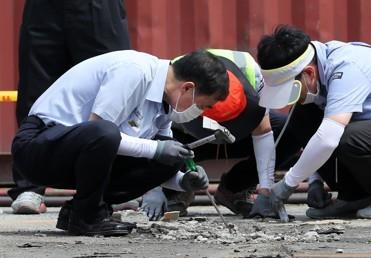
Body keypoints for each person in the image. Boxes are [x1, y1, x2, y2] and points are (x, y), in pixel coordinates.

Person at [11, 49, 228, 236]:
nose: (200, 112)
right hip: (38, 147)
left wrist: (182, 180)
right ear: (188, 88)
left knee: (169, 155)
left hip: (77, 154)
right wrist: (156, 148)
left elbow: (148, 159)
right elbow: (99, 132)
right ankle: (87, 216)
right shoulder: (135, 71)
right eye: (203, 105)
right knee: (110, 133)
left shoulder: (164, 102)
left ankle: (77, 211)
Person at [255, 25, 371, 221]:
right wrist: (315, 182)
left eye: (291, 91)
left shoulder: (346, 66)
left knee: (347, 138)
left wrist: (287, 185)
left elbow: (328, 138)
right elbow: (316, 131)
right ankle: (354, 198)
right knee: (302, 115)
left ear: (309, 73)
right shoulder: (319, 67)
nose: (290, 100)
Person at [141, 49, 301, 220]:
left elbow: (263, 131)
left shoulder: (250, 71)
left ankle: (234, 188)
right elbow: (150, 137)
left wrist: (266, 190)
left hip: (234, 138)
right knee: (169, 144)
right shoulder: (177, 85)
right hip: (185, 136)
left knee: (288, 131)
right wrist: (152, 187)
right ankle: (176, 192)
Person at [10, 0, 131, 214]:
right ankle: (29, 186)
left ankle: (113, 187)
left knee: (112, 82)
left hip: (99, 7)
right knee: (36, 87)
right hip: (44, 7)